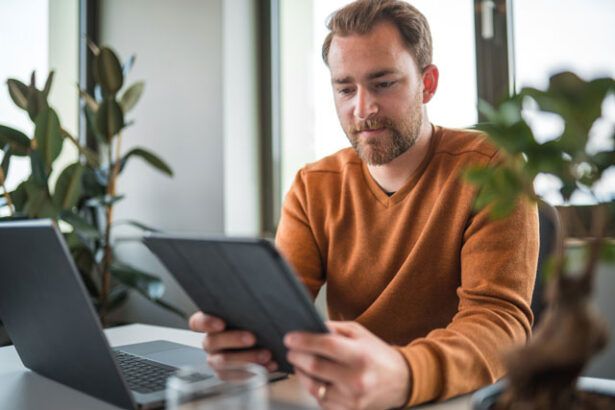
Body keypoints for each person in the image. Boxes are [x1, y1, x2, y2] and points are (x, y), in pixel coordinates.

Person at [189, 0, 539, 408]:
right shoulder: (313, 186)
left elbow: (500, 325)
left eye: (383, 83)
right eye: (345, 88)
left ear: (427, 83)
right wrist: (247, 342)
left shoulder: (493, 169)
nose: (362, 108)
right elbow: (278, 312)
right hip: (350, 395)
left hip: (463, 399)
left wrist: (404, 374)